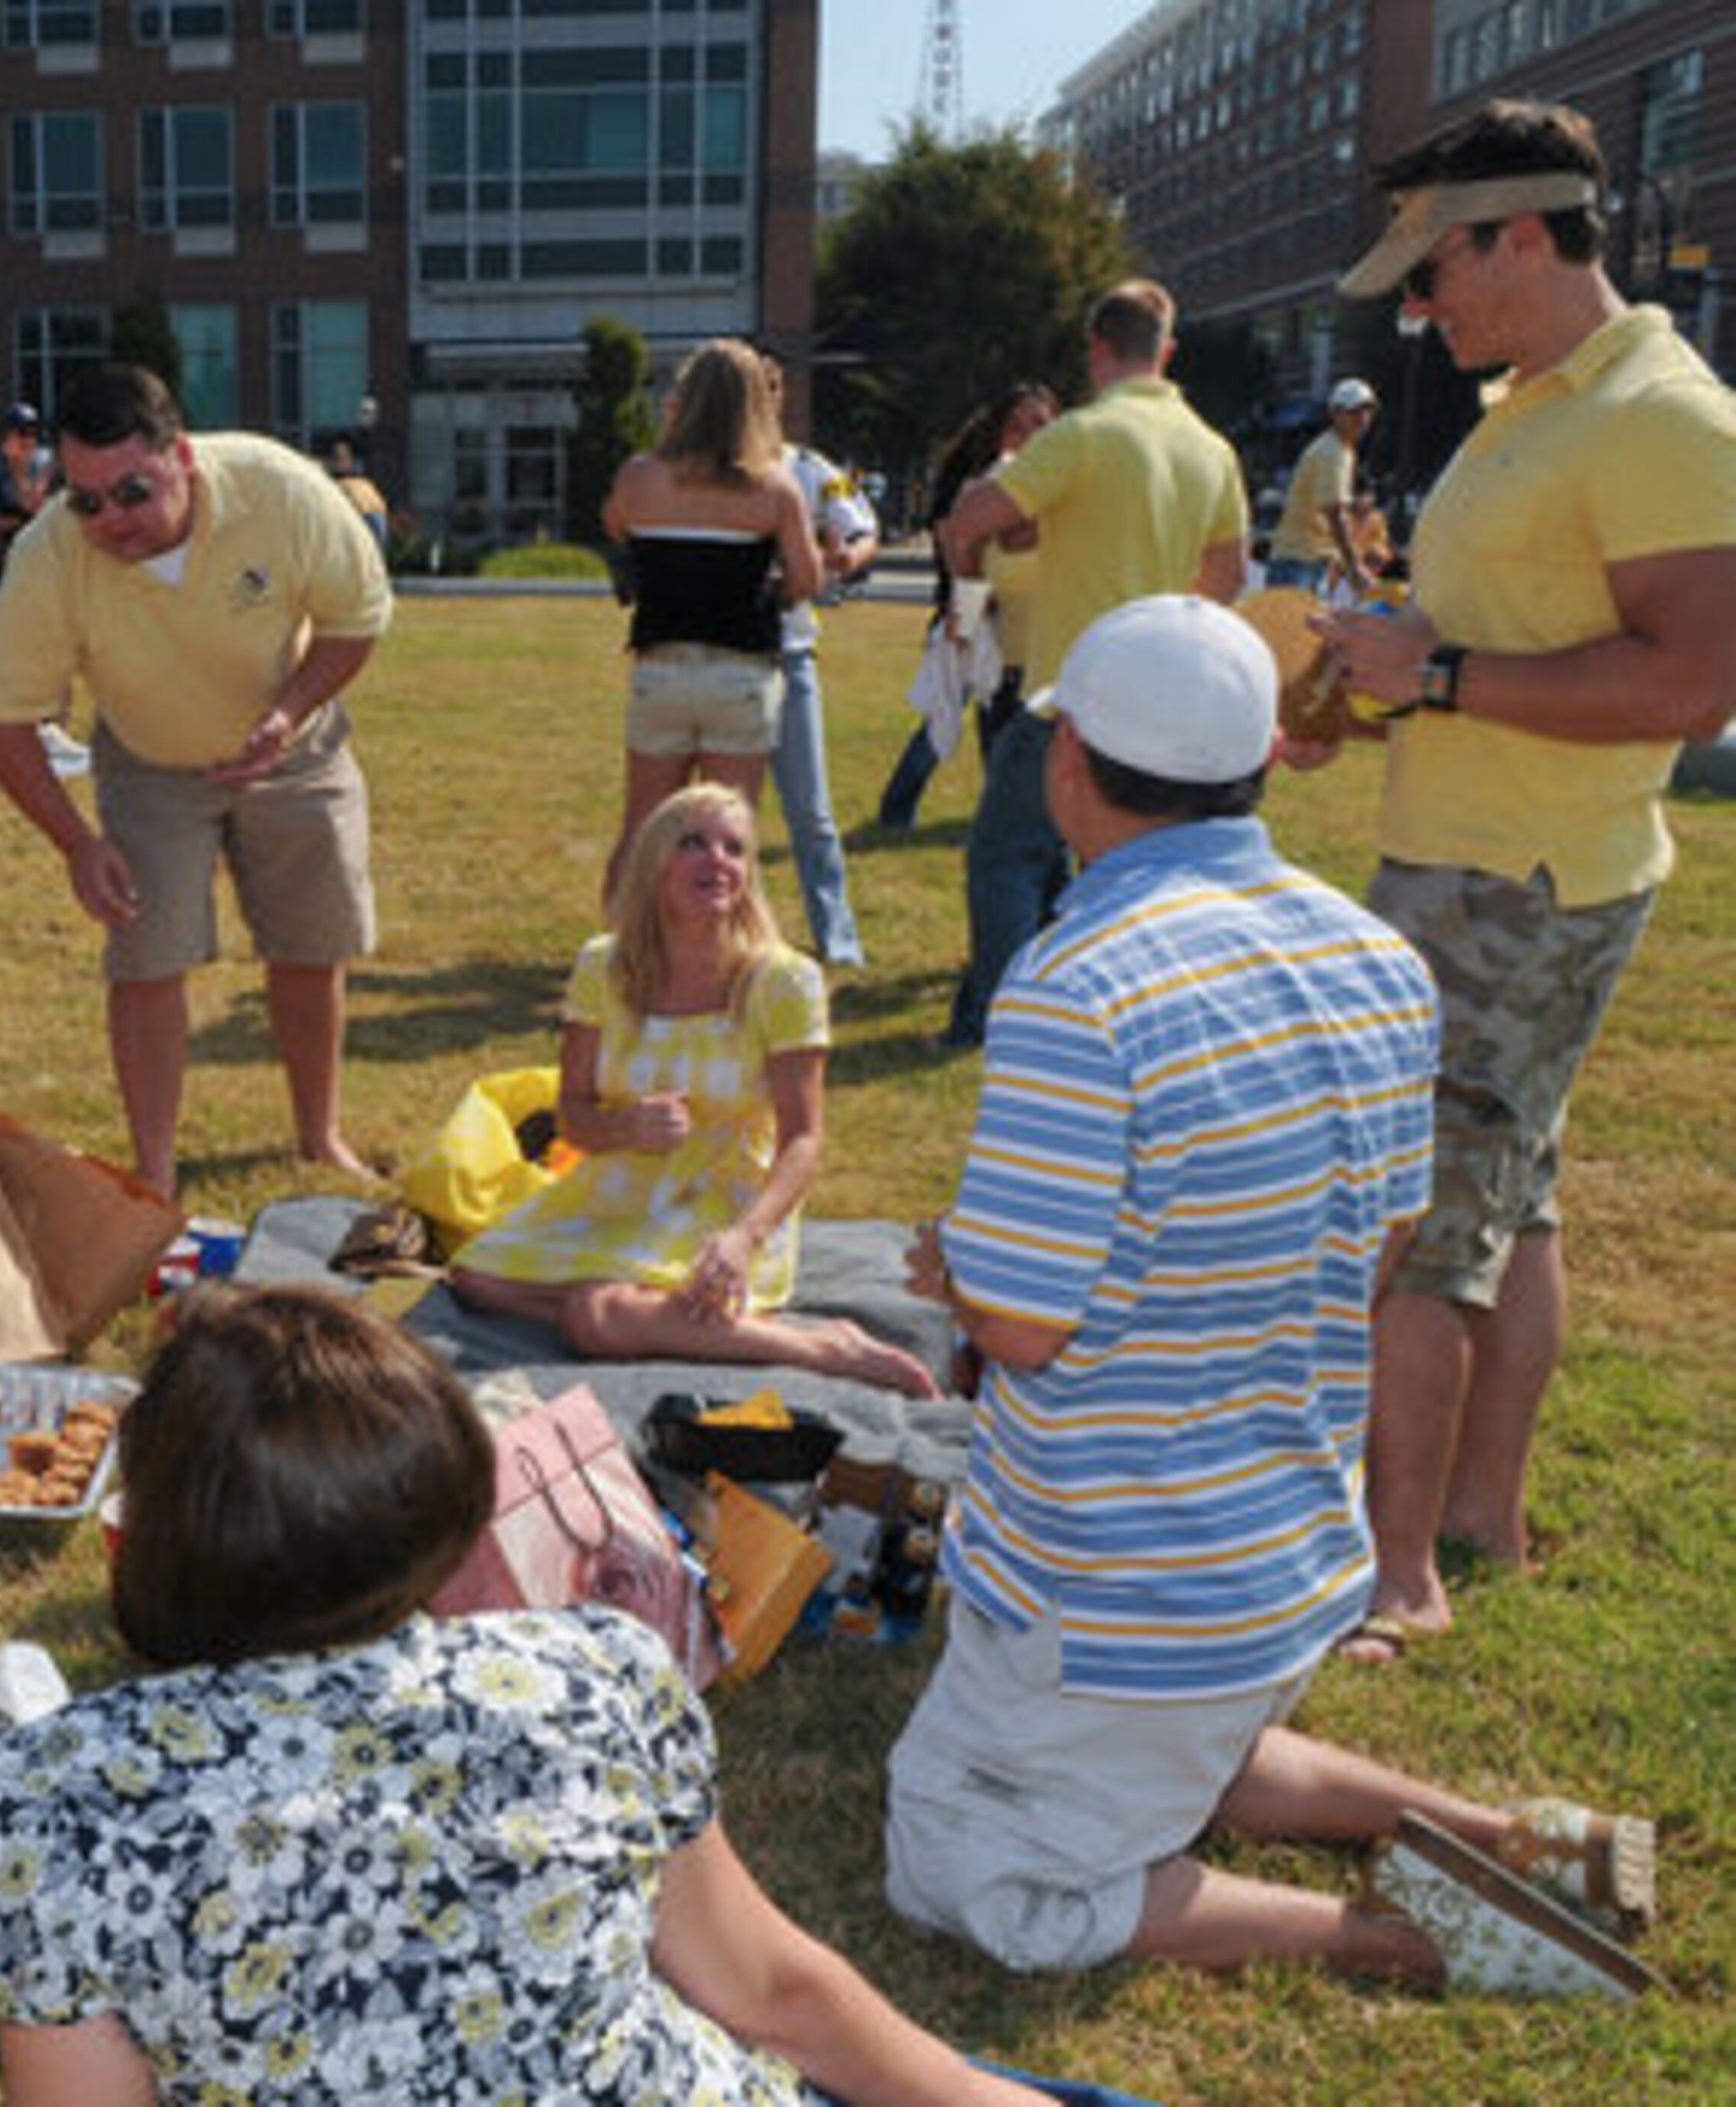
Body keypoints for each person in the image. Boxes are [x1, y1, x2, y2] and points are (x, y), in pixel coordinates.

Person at [889, 595, 1656, 1994]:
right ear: (1255, 763)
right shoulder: (1373, 954)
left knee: (962, 1866)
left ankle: (1430, 1939)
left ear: (1069, 766)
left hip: (1120, 1586)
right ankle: (1515, 1840)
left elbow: (1021, 1332)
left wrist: (967, 1268)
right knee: (1199, 1755)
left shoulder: (1077, 983)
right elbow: (1380, 1250)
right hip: (1290, 1558)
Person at [0, 1282, 1101, 2107]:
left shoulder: (56, 1795)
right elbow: (771, 1990)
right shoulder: (592, 1675)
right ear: (443, 1508)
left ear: (154, 1540)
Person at [1312, 99, 1736, 1662]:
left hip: (1525, 881)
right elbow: (1510, 638)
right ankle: (1479, 1513)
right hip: (1478, 860)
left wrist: (1439, 678)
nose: (1419, 307)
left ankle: (1395, 1572)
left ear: (1525, 234)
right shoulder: (1540, 398)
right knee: (1517, 1194)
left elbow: (1696, 680)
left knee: (1424, 1216)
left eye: (1436, 269)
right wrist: (1383, 676)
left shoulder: (1664, 416)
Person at [0, 365, 390, 1197]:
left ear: (183, 457)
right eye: (85, 500)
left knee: (312, 944)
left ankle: (319, 1134)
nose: (111, 520)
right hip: (151, 764)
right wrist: (78, 844)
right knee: (147, 959)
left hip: (294, 746)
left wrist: (289, 712)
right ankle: (154, 1172)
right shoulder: (50, 553)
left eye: (131, 491)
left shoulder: (280, 491)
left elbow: (357, 617)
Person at [447, 784, 935, 1394]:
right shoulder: (604, 966)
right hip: (626, 1185)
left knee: (595, 1319)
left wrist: (743, 1239)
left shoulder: (783, 980)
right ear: (654, 862)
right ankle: (671, 1320)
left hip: (727, 1198)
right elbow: (572, 1116)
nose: (718, 862)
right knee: (475, 1278)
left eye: (736, 848)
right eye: (694, 843)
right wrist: (626, 1128)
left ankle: (821, 1349)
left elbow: (804, 1139)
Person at [937, 279, 1249, 1047]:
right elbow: (1230, 575)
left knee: (1006, 857)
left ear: (1096, 350)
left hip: (1071, 695)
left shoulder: (1079, 435)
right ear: (1167, 352)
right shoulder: (1213, 449)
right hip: (1165, 702)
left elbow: (969, 520)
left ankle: (1019, 1018)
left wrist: (971, 597)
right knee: (1135, 874)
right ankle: (1135, 1014)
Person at [599, 338, 822, 909]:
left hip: (661, 668)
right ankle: (723, 961)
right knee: (730, 835)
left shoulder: (640, 476)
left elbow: (616, 526)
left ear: (685, 399)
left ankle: (621, 958)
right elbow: (807, 580)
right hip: (739, 672)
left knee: (642, 830)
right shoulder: (774, 486)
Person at [875, 382, 1058, 834]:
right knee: (947, 713)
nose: (1028, 436)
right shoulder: (979, 490)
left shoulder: (1066, 489)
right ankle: (898, 808)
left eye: (1039, 424)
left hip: (1047, 652)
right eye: (1017, 426)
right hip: (988, 642)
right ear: (997, 432)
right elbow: (960, 558)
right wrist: (966, 618)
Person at [770, 399, 878, 966]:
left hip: (789, 653)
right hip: (719, 655)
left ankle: (838, 941)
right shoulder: (701, 464)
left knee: (811, 812)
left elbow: (861, 532)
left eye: (772, 390)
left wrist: (843, 558)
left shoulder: (809, 468)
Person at [1267, 378, 1379, 595]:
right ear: (1335, 414)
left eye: (1367, 411)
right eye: (1353, 412)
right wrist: (1355, 567)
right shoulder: (1333, 453)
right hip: (1301, 562)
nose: (1362, 419)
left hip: (1305, 560)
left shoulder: (1339, 449)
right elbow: (1334, 514)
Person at [0, 400, 51, 608]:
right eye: (20, 432)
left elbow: (50, 512)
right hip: (0, 564)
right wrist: (24, 516)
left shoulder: (46, 465)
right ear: (6, 435)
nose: (27, 439)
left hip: (41, 562)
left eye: (32, 433)